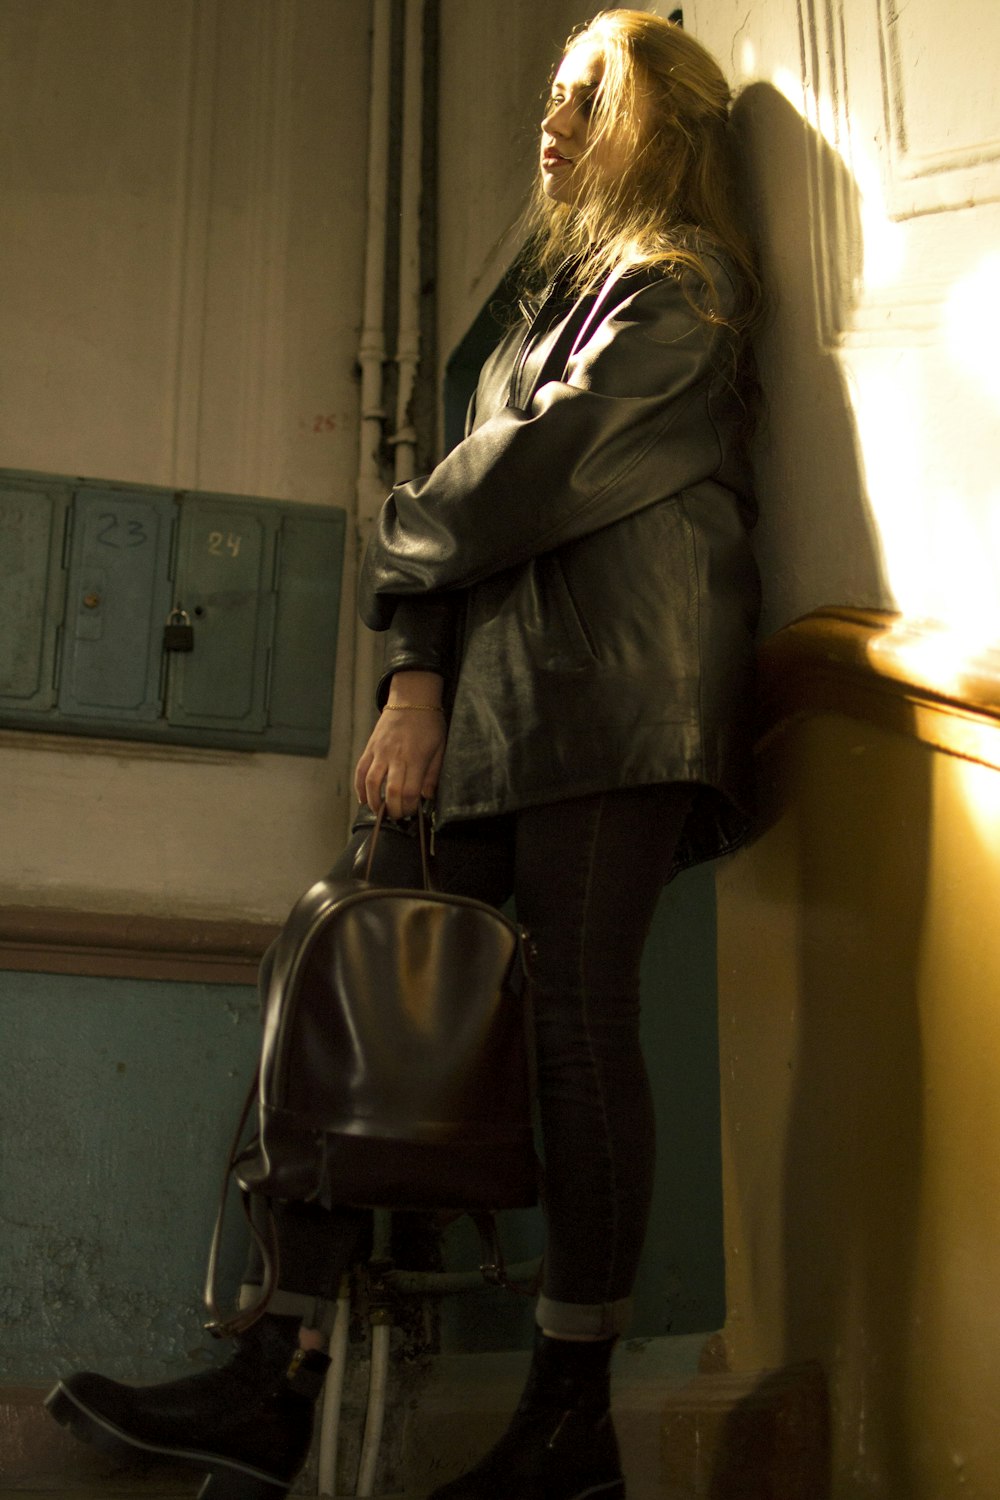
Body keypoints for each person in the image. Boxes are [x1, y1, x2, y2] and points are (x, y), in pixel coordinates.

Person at [45, 10, 763, 1499]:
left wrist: (398, 523)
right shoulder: (543, 315)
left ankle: (572, 1412)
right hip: (497, 703)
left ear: (659, 126)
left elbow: (499, 490)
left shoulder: (680, 300)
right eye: (550, 96)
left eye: (583, 97)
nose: (547, 121)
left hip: (623, 704)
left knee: (574, 1019)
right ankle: (278, 1366)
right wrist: (415, 681)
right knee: (338, 960)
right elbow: (468, 516)